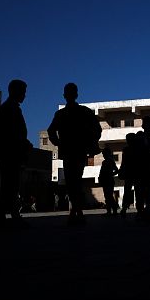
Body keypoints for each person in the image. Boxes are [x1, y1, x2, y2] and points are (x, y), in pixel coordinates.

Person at [47, 83, 102, 226]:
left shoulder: (65, 113)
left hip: (74, 151)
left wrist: (59, 143)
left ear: (65, 95)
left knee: (73, 181)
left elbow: (51, 131)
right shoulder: (82, 112)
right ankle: (76, 211)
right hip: (75, 151)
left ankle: (76, 211)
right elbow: (97, 129)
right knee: (74, 181)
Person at [0, 79, 33, 228]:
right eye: (23, 92)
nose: (24, 95)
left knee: (10, 185)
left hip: (12, 153)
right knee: (9, 186)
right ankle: (6, 216)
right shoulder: (9, 109)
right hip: (9, 154)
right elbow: (10, 133)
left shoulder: (12, 108)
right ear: (14, 91)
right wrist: (23, 144)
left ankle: (7, 216)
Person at [99, 147, 119, 215]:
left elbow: (116, 170)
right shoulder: (104, 162)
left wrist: (110, 174)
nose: (103, 155)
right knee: (107, 197)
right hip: (105, 181)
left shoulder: (110, 161)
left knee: (109, 196)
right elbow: (102, 172)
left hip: (109, 181)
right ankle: (109, 211)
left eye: (104, 154)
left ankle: (114, 210)